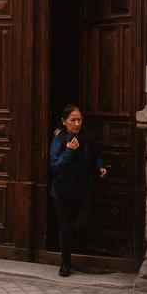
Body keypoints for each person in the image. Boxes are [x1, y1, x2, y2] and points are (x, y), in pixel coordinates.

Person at [48, 104, 107, 277]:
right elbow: (55, 166)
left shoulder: (87, 137)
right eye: (72, 120)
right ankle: (65, 263)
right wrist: (68, 151)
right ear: (64, 121)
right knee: (65, 227)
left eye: (79, 120)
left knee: (82, 223)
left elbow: (96, 155)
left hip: (84, 188)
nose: (76, 124)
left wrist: (101, 166)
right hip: (62, 191)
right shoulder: (59, 139)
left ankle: (80, 246)